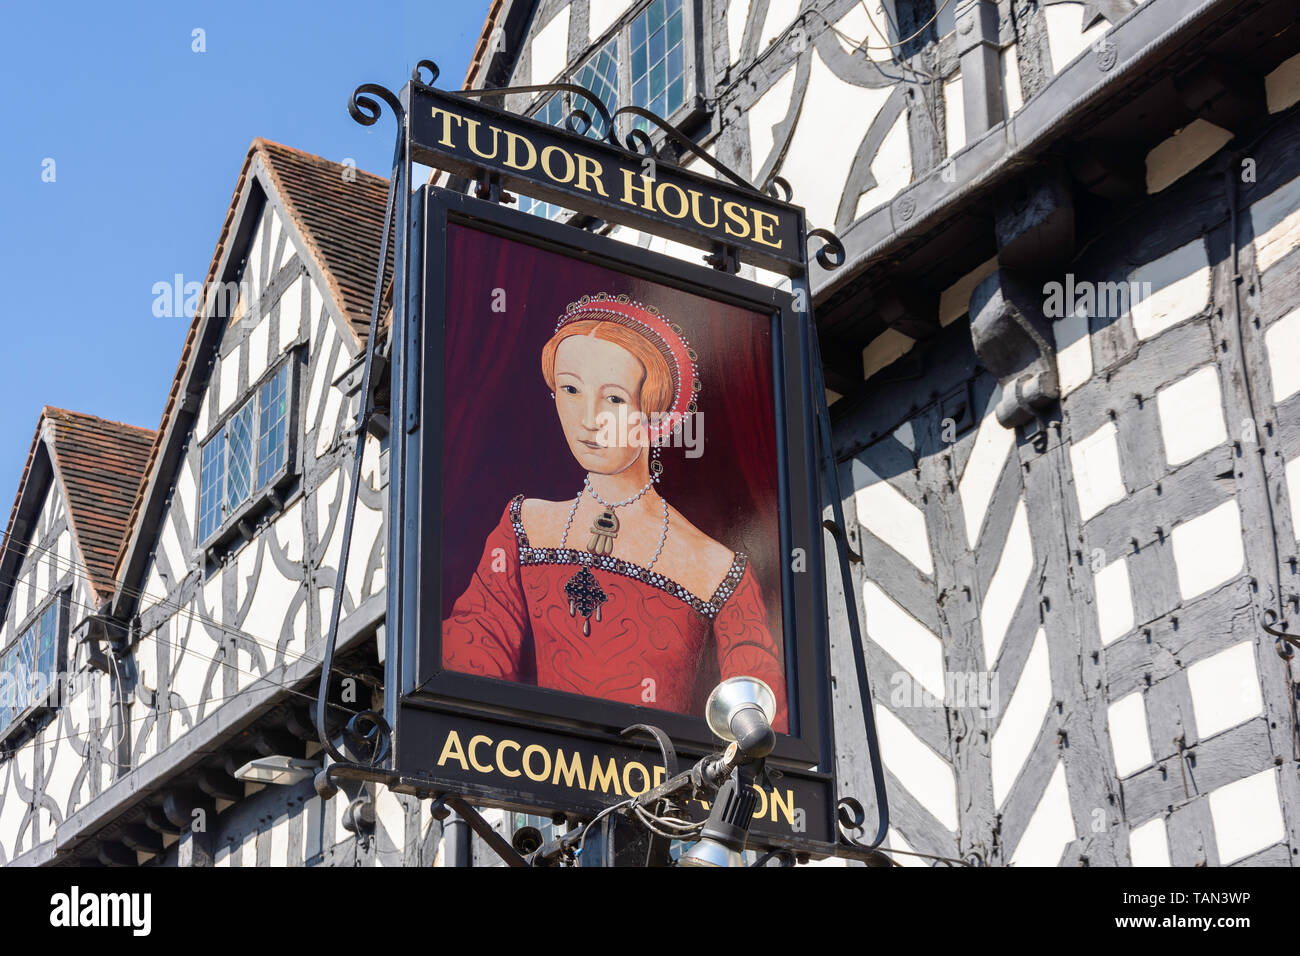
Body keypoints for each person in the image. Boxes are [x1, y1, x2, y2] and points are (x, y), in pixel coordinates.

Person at [442, 293, 788, 732]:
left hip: (663, 792)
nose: (588, 419)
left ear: (655, 413)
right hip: (544, 775)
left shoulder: (716, 567)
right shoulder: (524, 525)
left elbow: (763, 716)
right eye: (570, 389)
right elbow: (473, 650)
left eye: (615, 398)